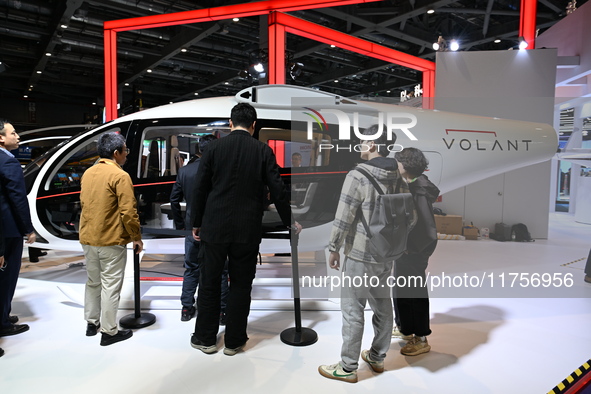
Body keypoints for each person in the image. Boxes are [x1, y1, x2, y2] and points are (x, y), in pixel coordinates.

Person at [189, 102, 299, 356]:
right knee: (241, 284)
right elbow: (278, 189)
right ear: (254, 125)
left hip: (213, 227)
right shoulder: (262, 150)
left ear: (230, 123)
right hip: (247, 229)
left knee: (209, 283)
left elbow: (200, 188)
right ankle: (234, 340)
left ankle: (205, 338)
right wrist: (289, 221)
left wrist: (196, 222)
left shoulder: (214, 148)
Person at [319, 125, 409, 383]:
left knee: (353, 308)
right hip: (386, 254)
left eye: (362, 141)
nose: (359, 144)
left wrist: (334, 248)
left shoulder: (357, 175)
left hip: (360, 254)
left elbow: (344, 216)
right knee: (382, 306)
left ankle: (347, 367)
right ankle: (378, 357)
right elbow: (409, 217)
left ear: (371, 145)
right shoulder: (399, 175)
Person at [79, 132, 143, 346]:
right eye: (125, 151)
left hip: (88, 238)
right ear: (116, 153)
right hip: (111, 239)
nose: (126, 155)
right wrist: (136, 237)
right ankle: (109, 331)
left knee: (93, 282)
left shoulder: (88, 173)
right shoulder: (120, 176)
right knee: (111, 286)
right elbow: (128, 211)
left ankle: (91, 323)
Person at [170, 134, 229, 323]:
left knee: (191, 269)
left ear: (199, 150)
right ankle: (221, 311)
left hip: (191, 229)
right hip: (217, 229)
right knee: (220, 270)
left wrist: (180, 225)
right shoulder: (222, 171)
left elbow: (174, 199)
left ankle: (187, 308)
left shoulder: (185, 171)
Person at [391, 147, 439, 356]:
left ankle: (421, 337)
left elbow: (428, 229)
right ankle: (405, 329)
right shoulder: (411, 185)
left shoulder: (418, 189)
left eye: (398, 162)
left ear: (406, 165)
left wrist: (415, 250)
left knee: (415, 292)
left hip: (414, 251)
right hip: (406, 249)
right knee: (402, 288)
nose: (396, 166)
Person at [0, 119, 35, 338]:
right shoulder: (8, 162)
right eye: (13, 133)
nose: (18, 137)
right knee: (7, 277)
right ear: (1, 138)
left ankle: (4, 314)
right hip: (8, 229)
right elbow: (18, 199)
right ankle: (2, 322)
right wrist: (28, 229)